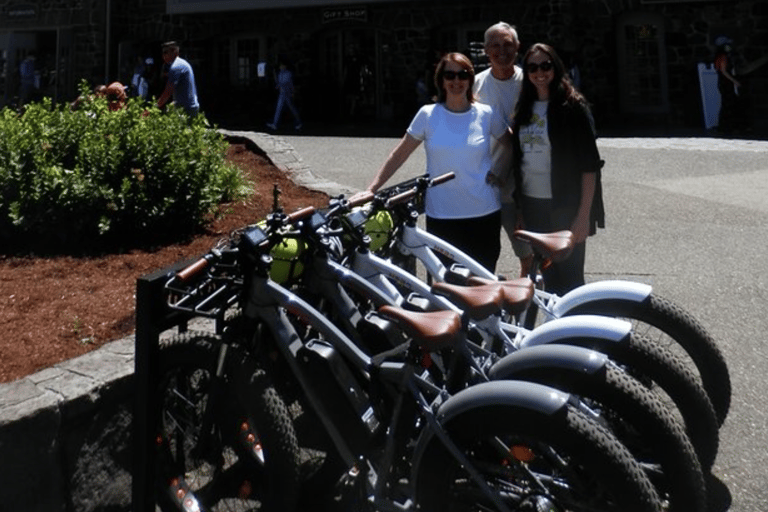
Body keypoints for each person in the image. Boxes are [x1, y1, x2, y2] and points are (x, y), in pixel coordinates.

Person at [356, 52, 511, 272]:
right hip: (442, 215)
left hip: (483, 213)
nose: (456, 81)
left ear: (470, 79)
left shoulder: (486, 114)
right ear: (441, 80)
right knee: (448, 284)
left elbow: (511, 144)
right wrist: (372, 189)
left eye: (462, 75)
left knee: (483, 283)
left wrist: (501, 173)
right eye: (450, 75)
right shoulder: (428, 115)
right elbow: (399, 154)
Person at [511, 43, 604, 294]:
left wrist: (583, 216)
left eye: (545, 66)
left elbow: (589, 166)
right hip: (533, 204)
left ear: (556, 67)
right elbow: (520, 162)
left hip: (565, 204)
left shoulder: (573, 107)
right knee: (549, 278)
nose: (539, 72)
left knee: (572, 280)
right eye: (532, 67)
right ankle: (557, 332)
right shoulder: (523, 109)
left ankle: (581, 331)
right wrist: (520, 208)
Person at [472, 22, 533, 277]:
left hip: (519, 188)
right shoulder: (474, 85)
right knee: (481, 255)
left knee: (526, 253)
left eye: (508, 44)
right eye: (495, 45)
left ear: (518, 47)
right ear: (486, 50)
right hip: (483, 185)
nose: (502, 50)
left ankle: (527, 304)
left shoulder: (529, 83)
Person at [156, 41, 200, 117]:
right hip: (189, 106)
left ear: (175, 51)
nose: (163, 55)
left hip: (187, 109)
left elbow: (168, 92)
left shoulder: (176, 67)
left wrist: (153, 108)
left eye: (166, 52)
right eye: (163, 53)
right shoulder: (181, 63)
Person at [713, 37, 743, 134]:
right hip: (725, 83)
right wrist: (734, 81)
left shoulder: (721, 56)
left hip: (723, 82)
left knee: (727, 104)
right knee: (728, 104)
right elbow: (723, 71)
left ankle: (726, 126)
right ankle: (726, 127)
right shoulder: (723, 57)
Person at [266, 58, 302, 131]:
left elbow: (289, 83)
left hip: (287, 93)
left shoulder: (288, 73)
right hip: (282, 93)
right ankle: (275, 124)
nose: (280, 67)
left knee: (292, 109)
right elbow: (278, 83)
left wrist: (292, 92)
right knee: (279, 108)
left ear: (285, 66)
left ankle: (299, 122)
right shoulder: (280, 73)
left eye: (282, 65)